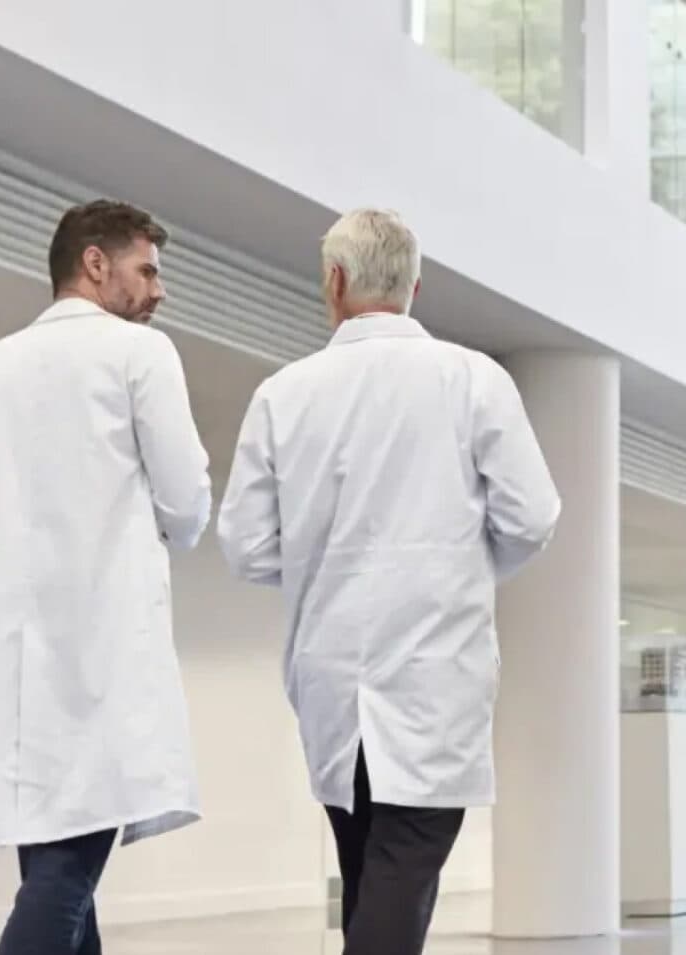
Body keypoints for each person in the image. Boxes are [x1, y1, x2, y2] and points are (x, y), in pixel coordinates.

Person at [218, 208, 561, 953]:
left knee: (374, 882)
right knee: (396, 885)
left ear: (334, 282)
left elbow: (244, 546)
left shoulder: (284, 393)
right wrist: (457, 568)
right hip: (435, 681)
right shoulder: (474, 380)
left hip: (333, 685)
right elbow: (532, 517)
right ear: (414, 286)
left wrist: (321, 562)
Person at [0, 199, 213, 955]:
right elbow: (189, 504)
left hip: (11, 673)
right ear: (95, 263)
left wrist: (9, 558)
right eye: (147, 270)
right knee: (65, 880)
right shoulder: (142, 356)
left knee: (57, 871)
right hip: (103, 661)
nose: (159, 290)